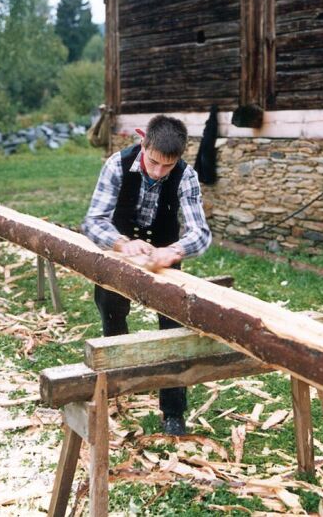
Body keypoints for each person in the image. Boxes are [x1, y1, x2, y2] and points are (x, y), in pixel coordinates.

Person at [82, 114, 212, 436]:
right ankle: (117, 383)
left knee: (173, 331)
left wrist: (174, 251)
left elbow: (201, 232)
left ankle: (173, 410)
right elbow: (94, 220)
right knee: (111, 312)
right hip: (120, 252)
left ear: (179, 157)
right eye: (153, 162)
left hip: (164, 259)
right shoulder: (117, 164)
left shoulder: (186, 176)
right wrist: (122, 243)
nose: (157, 172)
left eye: (166, 166)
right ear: (144, 143)